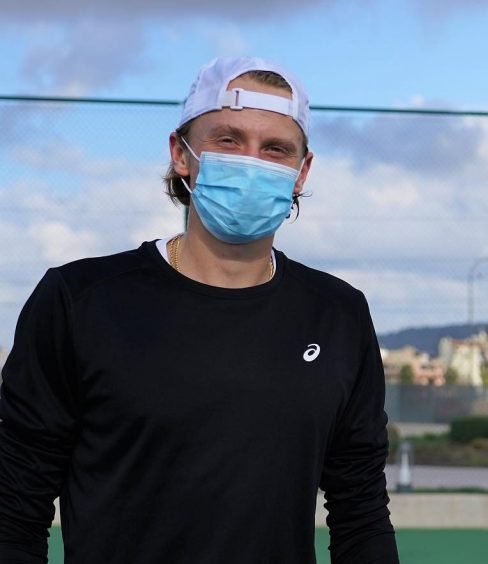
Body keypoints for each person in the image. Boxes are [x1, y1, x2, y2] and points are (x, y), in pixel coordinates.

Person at [0, 57, 398, 564]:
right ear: (180, 154)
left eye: (275, 148)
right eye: (228, 141)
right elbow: (15, 507)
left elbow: (360, 506)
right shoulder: (78, 299)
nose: (251, 162)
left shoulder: (339, 314)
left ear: (302, 171)